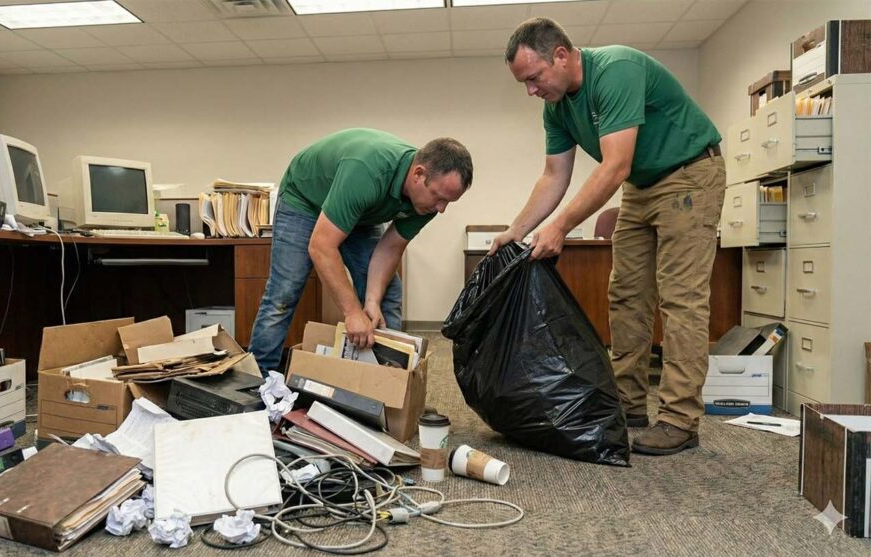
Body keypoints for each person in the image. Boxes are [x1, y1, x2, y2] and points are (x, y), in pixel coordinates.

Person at [491, 18, 726, 456]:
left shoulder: (616, 70)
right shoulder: (556, 107)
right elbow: (553, 176)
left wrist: (560, 226)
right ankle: (629, 403)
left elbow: (615, 165)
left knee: (681, 298)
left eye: (534, 77)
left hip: (689, 173)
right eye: (524, 83)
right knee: (626, 294)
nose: (531, 90)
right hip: (641, 184)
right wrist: (516, 230)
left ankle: (679, 419)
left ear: (561, 56)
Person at [249, 128, 473, 374]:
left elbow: (390, 249)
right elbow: (321, 246)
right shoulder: (367, 172)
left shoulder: (427, 203)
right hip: (305, 200)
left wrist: (372, 301)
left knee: (387, 294)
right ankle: (258, 379)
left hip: (361, 212)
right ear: (418, 174)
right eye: (438, 197)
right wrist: (353, 313)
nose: (441, 209)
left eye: (448, 202)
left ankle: (388, 380)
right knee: (284, 292)